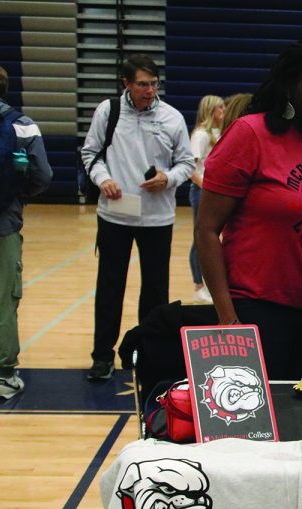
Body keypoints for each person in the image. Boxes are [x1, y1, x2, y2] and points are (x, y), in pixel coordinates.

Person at [196, 39, 302, 380]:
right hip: (255, 309)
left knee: (298, 418)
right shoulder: (251, 134)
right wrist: (227, 319)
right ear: (290, 87)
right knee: (255, 427)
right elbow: (207, 230)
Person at [81, 53, 194, 381]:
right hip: (115, 214)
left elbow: (187, 163)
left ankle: (149, 354)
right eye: (142, 84)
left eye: (153, 84)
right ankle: (102, 356)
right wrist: (104, 179)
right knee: (109, 288)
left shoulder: (172, 118)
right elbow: (90, 153)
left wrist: (168, 179)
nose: (149, 90)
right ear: (126, 84)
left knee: (156, 293)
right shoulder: (108, 111)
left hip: (158, 218)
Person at [0, 58, 52, 399]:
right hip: (4, 223)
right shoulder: (23, 125)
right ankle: (5, 376)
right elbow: (43, 176)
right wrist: (17, 197)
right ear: (5, 89)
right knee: (4, 301)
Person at [188, 95, 225, 304]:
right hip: (202, 191)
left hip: (216, 191)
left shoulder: (219, 133)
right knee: (201, 238)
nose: (224, 111)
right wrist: (208, 186)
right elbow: (191, 170)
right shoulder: (201, 135)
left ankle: (212, 285)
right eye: (220, 108)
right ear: (211, 110)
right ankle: (198, 286)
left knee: (215, 239)